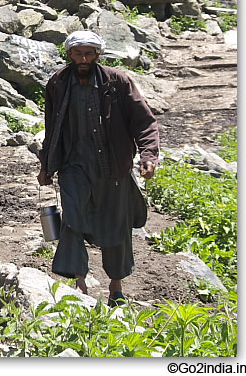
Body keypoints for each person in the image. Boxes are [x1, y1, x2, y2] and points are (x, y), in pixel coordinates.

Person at [37, 30, 159, 306]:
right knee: (72, 220)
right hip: (73, 165)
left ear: (98, 55)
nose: (83, 59)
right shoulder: (58, 83)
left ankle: (116, 287)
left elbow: (144, 121)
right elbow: (51, 126)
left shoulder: (117, 82)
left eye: (89, 53)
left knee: (117, 225)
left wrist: (148, 154)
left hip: (111, 168)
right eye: (78, 53)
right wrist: (47, 164)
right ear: (68, 54)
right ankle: (80, 283)